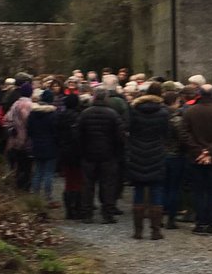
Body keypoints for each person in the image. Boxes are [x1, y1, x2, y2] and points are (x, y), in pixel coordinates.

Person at [180, 84, 212, 235]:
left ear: (199, 94)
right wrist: (210, 151)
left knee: (198, 191)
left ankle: (200, 222)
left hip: (195, 157)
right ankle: (211, 223)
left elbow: (184, 133)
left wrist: (198, 151)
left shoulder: (190, 112)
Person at [126, 83, 170, 239]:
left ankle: (138, 231)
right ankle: (155, 230)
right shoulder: (163, 113)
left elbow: (129, 130)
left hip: (137, 153)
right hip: (156, 153)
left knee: (138, 190)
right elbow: (166, 134)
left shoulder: (134, 111)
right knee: (156, 190)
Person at [77, 88, 124, 223]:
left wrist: (82, 150)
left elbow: (78, 134)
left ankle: (87, 214)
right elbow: (120, 136)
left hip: (88, 154)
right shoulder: (113, 114)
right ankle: (107, 214)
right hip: (108, 155)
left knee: (87, 185)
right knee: (108, 185)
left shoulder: (85, 114)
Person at [26, 90, 60, 200]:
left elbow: (29, 130)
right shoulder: (53, 114)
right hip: (50, 145)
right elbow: (56, 131)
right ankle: (48, 195)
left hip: (36, 144)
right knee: (49, 172)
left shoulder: (33, 113)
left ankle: (35, 194)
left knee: (38, 171)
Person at [56, 93, 85, 218]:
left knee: (69, 182)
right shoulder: (79, 117)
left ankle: (69, 210)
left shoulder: (59, 117)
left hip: (64, 152)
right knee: (78, 181)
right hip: (77, 153)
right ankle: (77, 208)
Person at [161, 90, 187, 229]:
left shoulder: (158, 115)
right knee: (174, 187)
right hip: (175, 155)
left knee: (161, 187)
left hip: (160, 154)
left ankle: (158, 216)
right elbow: (182, 138)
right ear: (173, 102)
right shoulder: (176, 118)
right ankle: (171, 218)